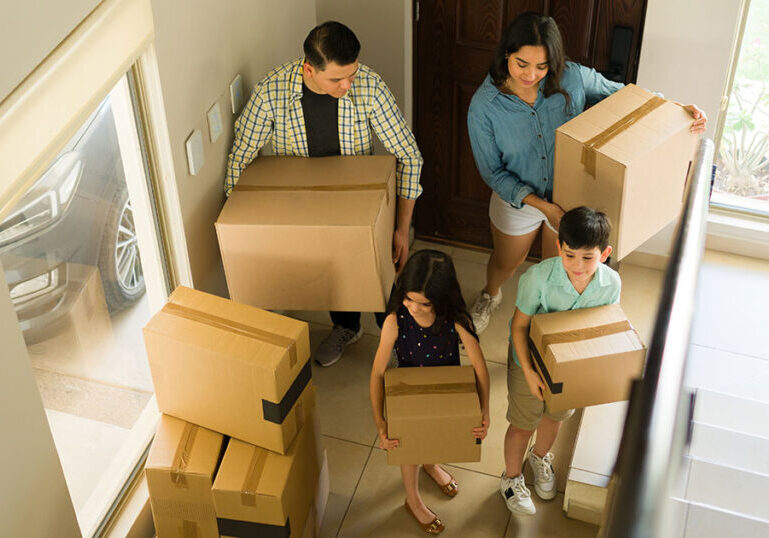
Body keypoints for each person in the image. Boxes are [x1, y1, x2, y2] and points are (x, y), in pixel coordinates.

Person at [466, 12, 707, 334]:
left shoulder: (574, 78)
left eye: (542, 66)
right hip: (519, 201)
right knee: (506, 263)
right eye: (522, 64)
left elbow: (629, 99)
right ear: (506, 54)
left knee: (557, 267)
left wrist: (678, 111)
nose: (532, 75)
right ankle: (489, 295)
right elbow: (493, 172)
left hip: (569, 197)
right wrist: (544, 207)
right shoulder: (485, 105)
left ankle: (548, 317)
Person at [225, 21, 423, 367]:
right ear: (309, 70)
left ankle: (399, 342)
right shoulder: (271, 92)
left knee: (385, 284)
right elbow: (240, 158)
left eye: (352, 74)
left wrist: (402, 228)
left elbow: (409, 155)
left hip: (361, 206)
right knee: (335, 275)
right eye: (336, 79)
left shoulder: (369, 87)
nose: (347, 85)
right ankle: (346, 327)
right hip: (307, 207)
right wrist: (247, 234)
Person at [500, 206, 619, 515]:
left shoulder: (611, 285)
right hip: (529, 357)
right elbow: (519, 326)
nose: (577, 266)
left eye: (588, 258)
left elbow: (601, 329)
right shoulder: (537, 278)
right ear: (558, 247)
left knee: (555, 416)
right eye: (569, 255)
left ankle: (540, 458)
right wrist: (527, 372)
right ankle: (511, 478)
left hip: (570, 364)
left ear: (604, 253)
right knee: (523, 423)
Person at [369, 250, 491, 534]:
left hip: (443, 391)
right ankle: (412, 499)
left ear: (442, 297)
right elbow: (377, 373)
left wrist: (484, 411)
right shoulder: (395, 320)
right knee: (409, 447)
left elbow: (480, 370)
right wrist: (381, 422)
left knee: (436, 434)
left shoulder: (457, 321)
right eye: (408, 299)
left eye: (423, 303)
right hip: (409, 396)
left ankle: (431, 464)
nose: (413, 307)